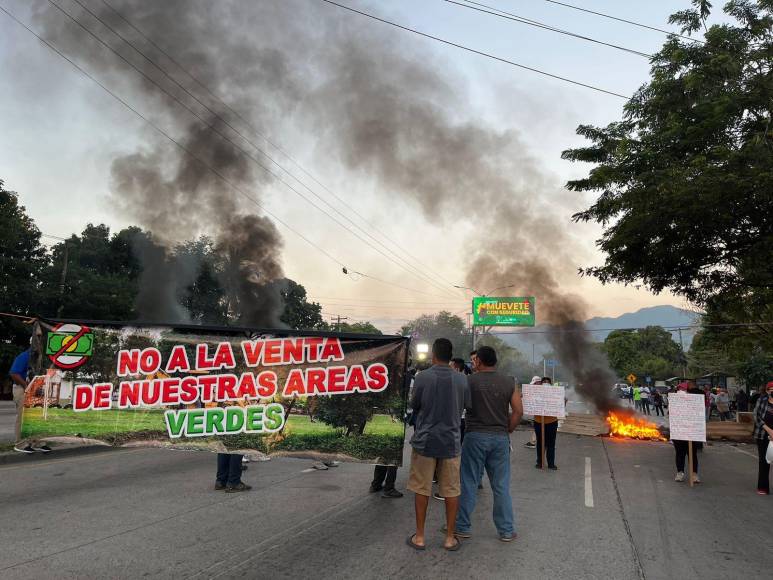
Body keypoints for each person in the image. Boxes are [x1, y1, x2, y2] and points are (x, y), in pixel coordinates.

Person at [406, 338, 468, 551]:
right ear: (451, 356)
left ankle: (420, 537)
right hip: (451, 442)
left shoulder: (423, 377)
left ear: (433, 354)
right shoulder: (461, 380)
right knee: (451, 490)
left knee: (421, 488)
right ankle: (450, 538)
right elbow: (466, 406)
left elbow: (414, 405)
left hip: (425, 441)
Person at [455, 346, 522, 542]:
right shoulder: (509, 382)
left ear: (479, 361)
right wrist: (508, 429)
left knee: (468, 483)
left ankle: (462, 527)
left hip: (474, 436)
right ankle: (506, 530)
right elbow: (518, 411)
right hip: (500, 438)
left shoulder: (469, 381)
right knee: (501, 486)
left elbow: (459, 407)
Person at [9, 346, 51, 454]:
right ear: (32, 344)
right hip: (22, 388)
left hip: (34, 390)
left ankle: (36, 442)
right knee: (23, 417)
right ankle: (20, 444)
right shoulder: (24, 356)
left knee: (35, 417)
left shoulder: (39, 359)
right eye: (38, 344)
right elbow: (14, 373)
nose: (40, 347)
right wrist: (27, 386)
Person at [673, 382, 703, 483]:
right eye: (679, 389)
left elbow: (700, 394)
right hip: (679, 431)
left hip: (692, 431)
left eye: (683, 389)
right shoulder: (675, 400)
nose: (680, 391)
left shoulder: (695, 398)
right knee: (680, 453)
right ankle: (680, 472)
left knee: (692, 454)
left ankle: (694, 474)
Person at [533, 376, 560, 470]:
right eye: (543, 382)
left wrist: (563, 401)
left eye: (547, 382)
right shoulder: (535, 394)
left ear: (550, 385)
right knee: (540, 443)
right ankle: (540, 462)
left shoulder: (555, 394)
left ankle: (551, 463)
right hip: (538, 422)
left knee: (551, 444)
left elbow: (560, 408)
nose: (545, 384)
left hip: (552, 422)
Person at [752, 381, 773, 495]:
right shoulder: (762, 400)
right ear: (767, 391)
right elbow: (756, 415)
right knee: (764, 461)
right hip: (762, 435)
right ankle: (763, 487)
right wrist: (769, 430)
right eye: (771, 390)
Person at [523, 376, 541, 449]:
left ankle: (533, 442)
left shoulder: (543, 390)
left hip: (542, 412)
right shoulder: (537, 390)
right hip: (538, 412)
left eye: (534, 383)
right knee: (539, 427)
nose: (533, 385)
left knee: (539, 427)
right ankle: (534, 441)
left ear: (538, 382)